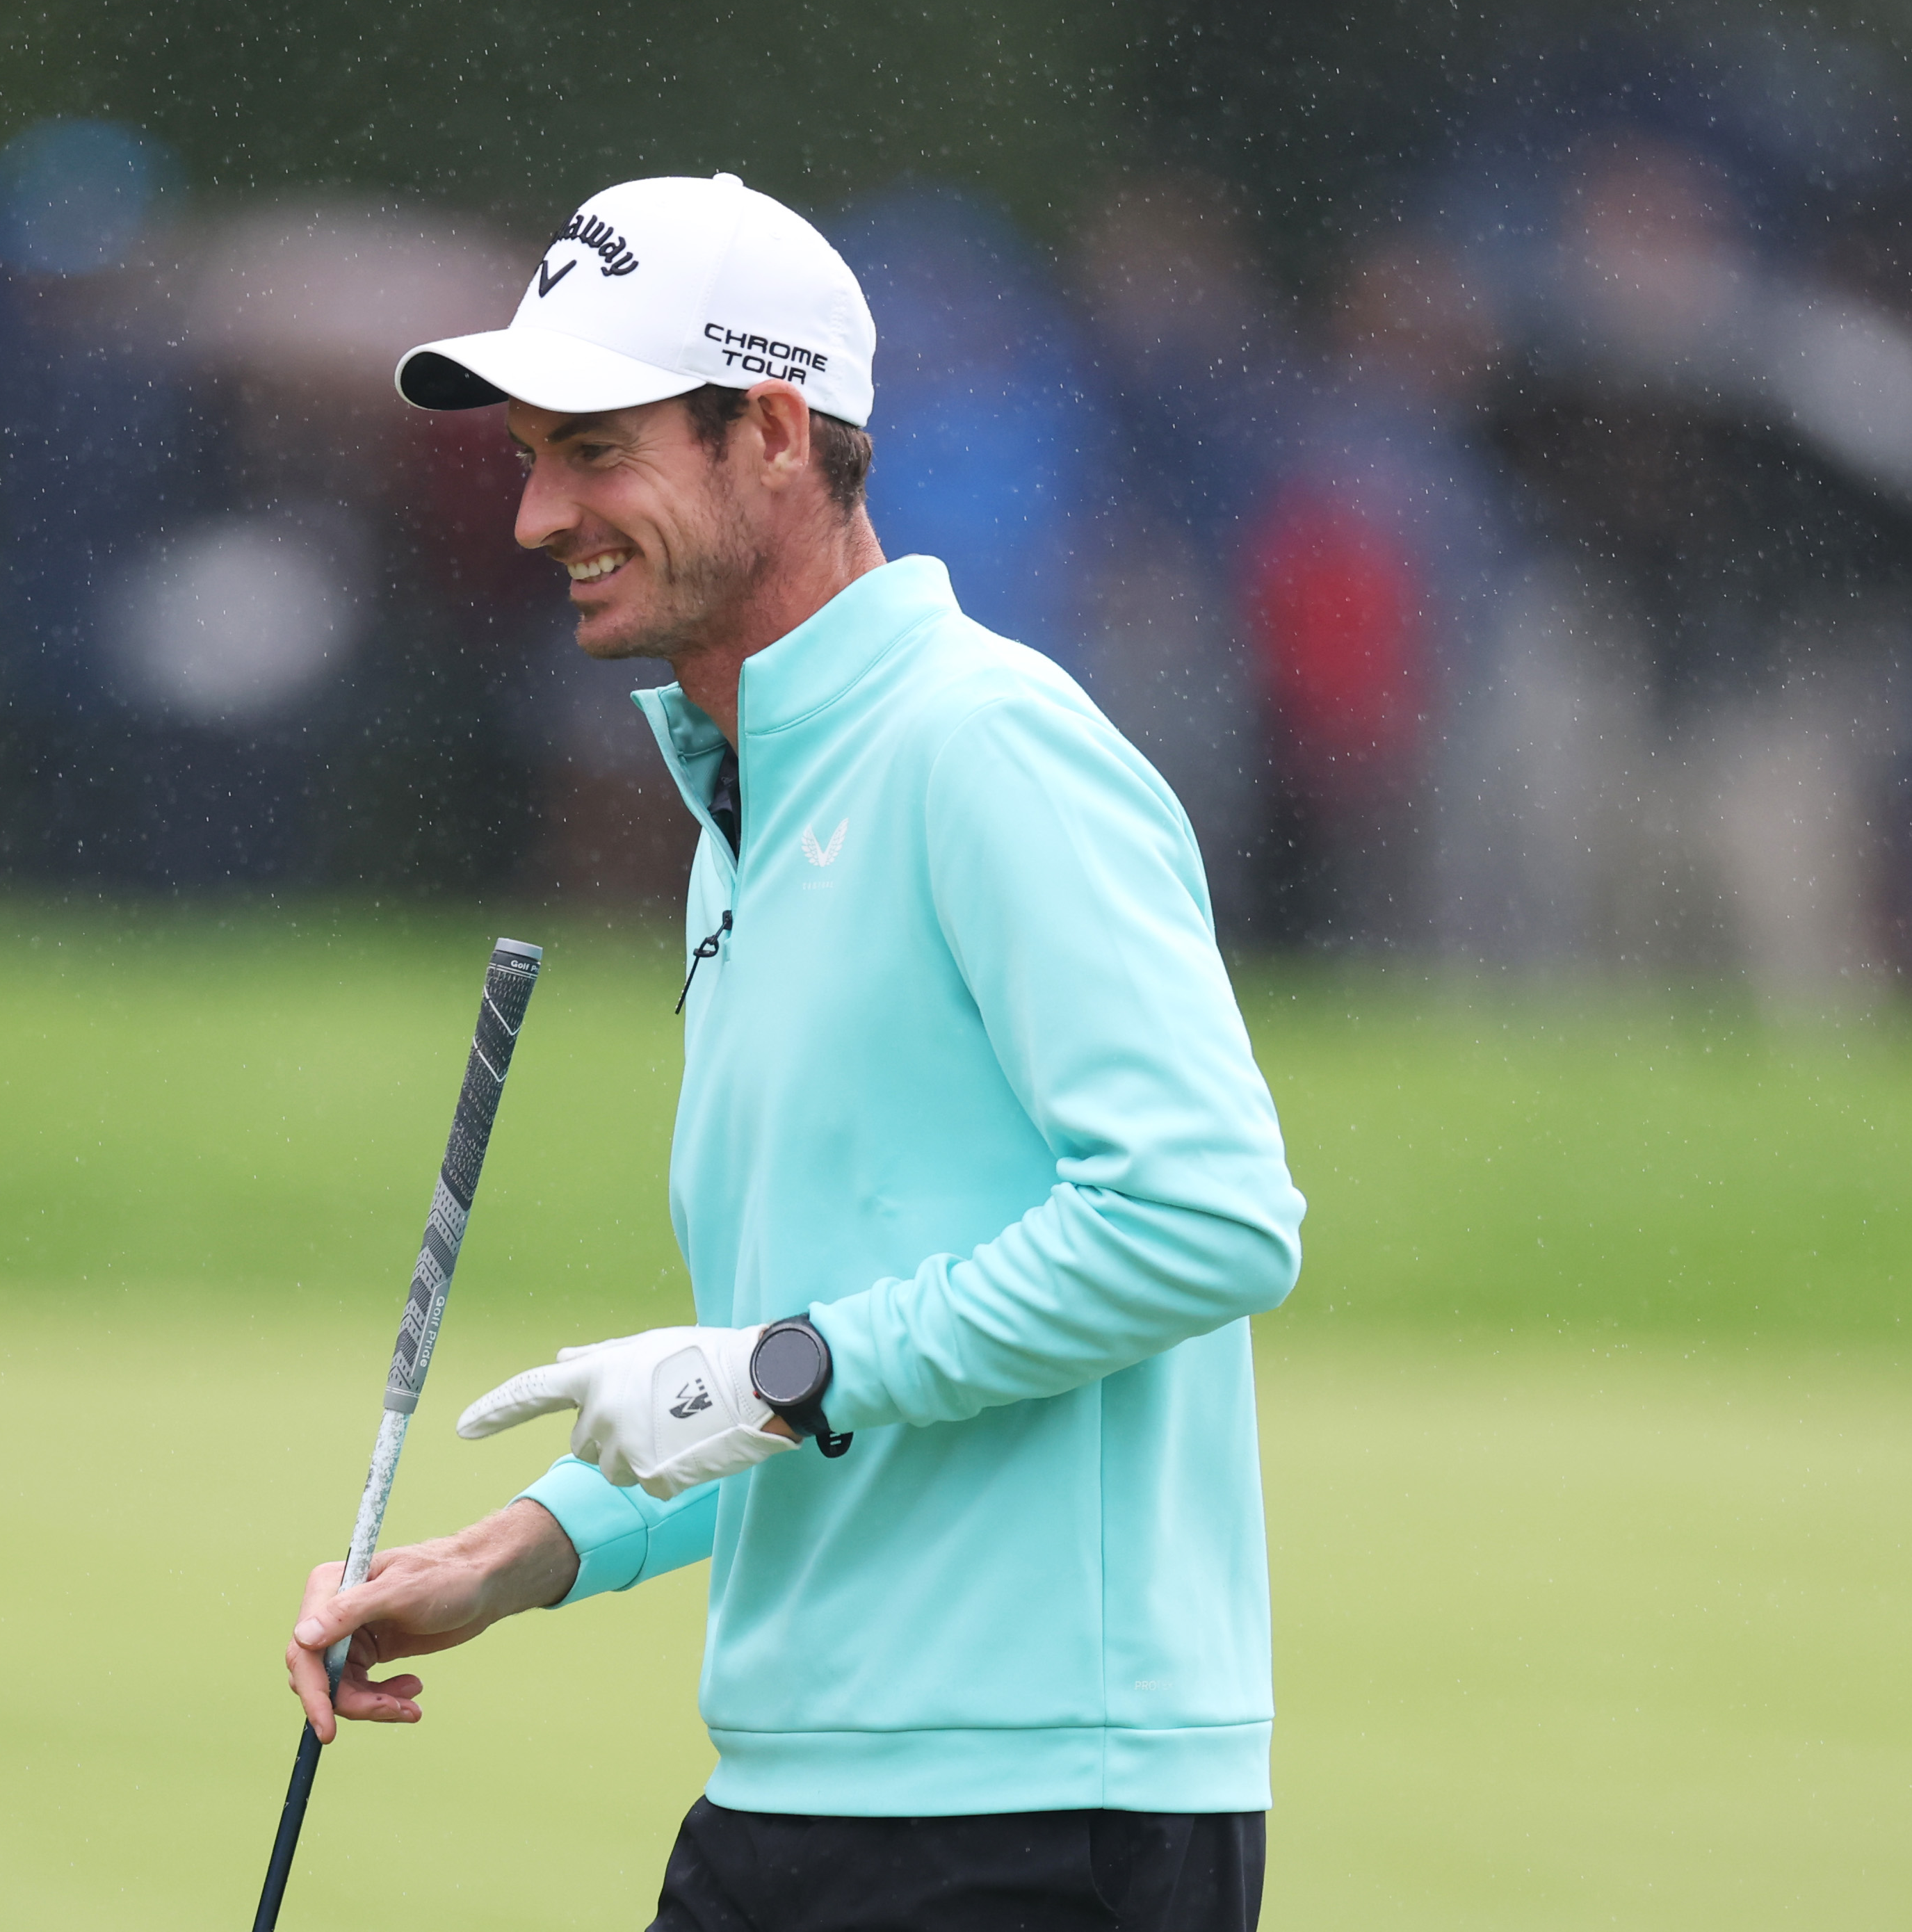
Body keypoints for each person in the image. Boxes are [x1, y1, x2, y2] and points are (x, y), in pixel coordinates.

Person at [281, 172, 1308, 1932]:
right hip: (798, 1795)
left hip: (1035, 1812)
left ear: (769, 428)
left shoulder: (981, 751)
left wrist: (775, 1368)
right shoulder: (747, 796)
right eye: (532, 456)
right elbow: (811, 1364)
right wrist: (524, 1548)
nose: (536, 514)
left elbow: (1206, 1218)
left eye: (592, 451)